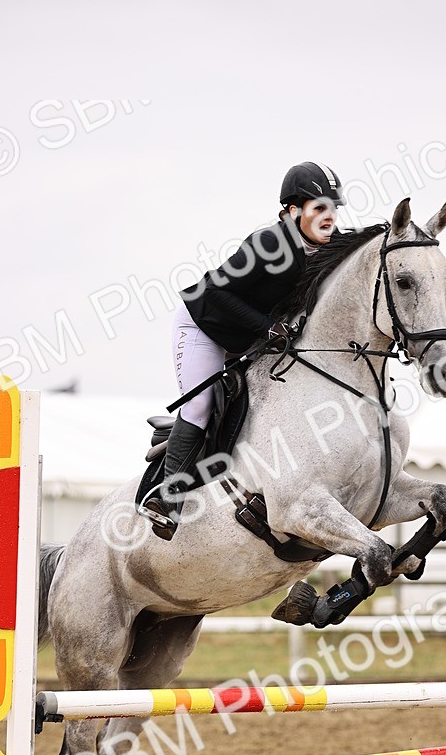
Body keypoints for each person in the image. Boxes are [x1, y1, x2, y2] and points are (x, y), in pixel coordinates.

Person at [143, 161, 344, 538]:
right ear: (292, 210)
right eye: (320, 208)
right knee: (201, 405)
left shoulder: (331, 250)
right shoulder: (269, 244)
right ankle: (167, 500)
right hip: (205, 326)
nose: (329, 217)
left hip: (251, 338)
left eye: (333, 209)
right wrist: (267, 327)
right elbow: (217, 291)